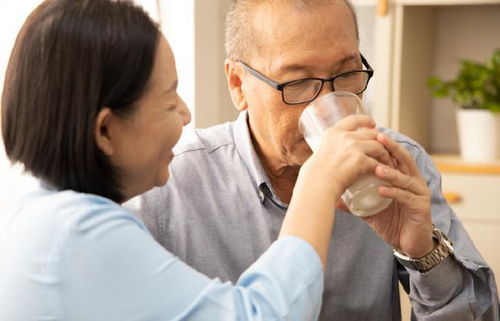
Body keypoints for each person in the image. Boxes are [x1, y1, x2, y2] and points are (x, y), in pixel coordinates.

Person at [0, 0, 393, 319]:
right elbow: (263, 315)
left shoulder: (48, 217)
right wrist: (319, 182)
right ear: (105, 131)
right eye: (169, 98)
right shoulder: (79, 234)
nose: (186, 114)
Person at [130, 0, 500, 320]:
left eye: (346, 73)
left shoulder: (399, 164)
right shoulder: (169, 183)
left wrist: (423, 253)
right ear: (238, 85)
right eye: (299, 82)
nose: (328, 102)